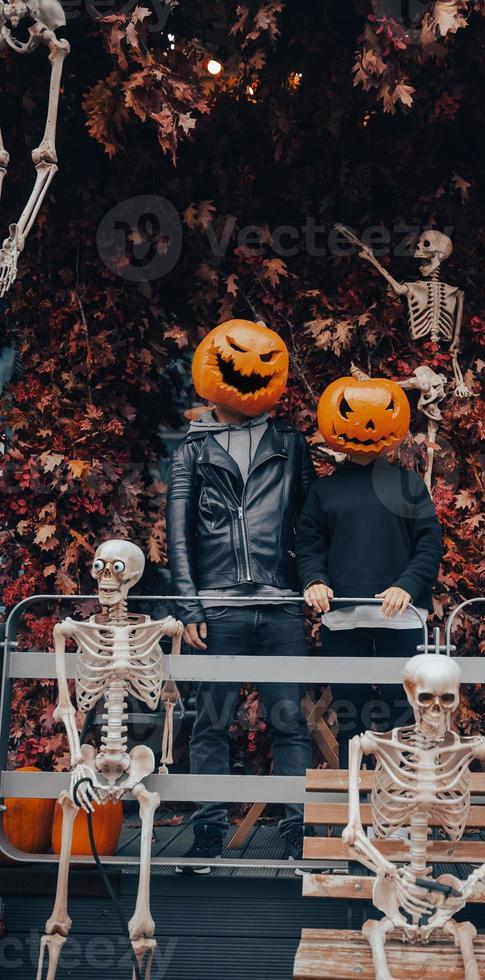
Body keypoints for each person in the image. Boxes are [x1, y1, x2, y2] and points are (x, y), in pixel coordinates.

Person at [166, 319, 315, 871]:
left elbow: (311, 524)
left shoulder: (291, 444)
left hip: (279, 607)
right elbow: (176, 534)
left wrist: (311, 584)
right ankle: (208, 834)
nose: (250, 367)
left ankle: (298, 831)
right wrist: (188, 605)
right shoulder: (191, 451)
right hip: (217, 606)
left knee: (289, 722)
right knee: (210, 721)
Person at [296, 372, 442, 766]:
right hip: (343, 618)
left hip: (404, 619)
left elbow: (430, 545)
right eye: (350, 414)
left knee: (403, 713)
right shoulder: (322, 491)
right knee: (351, 716)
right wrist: (313, 580)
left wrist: (406, 586)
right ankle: (353, 807)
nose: (365, 426)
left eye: (379, 416)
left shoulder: (409, 485)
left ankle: (401, 805)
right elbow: (308, 546)